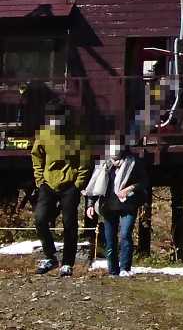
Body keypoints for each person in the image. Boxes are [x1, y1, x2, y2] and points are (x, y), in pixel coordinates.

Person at [31, 103, 90, 276]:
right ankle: (50, 256)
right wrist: (40, 180)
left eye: (58, 118)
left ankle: (67, 263)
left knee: (69, 223)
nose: (55, 122)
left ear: (65, 117)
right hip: (48, 184)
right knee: (40, 219)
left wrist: (78, 184)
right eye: (52, 119)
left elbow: (85, 161)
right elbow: (36, 156)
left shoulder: (77, 135)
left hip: (70, 185)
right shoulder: (44, 134)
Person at [83, 137, 149, 277]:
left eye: (117, 146)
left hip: (128, 204)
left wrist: (129, 188)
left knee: (125, 235)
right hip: (108, 205)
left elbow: (144, 182)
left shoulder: (133, 162)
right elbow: (93, 185)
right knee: (110, 239)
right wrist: (90, 204)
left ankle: (125, 267)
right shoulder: (103, 164)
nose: (114, 150)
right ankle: (112, 270)